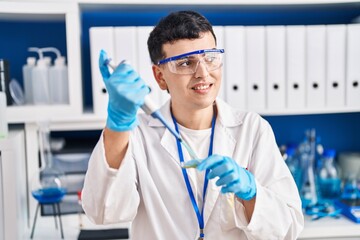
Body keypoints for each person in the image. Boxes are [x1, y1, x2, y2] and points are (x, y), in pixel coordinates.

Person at [82, 10, 304, 239]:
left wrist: (251, 193)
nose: (203, 73)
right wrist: (117, 125)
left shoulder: (251, 129)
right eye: (186, 63)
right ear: (159, 76)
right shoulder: (138, 134)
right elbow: (103, 213)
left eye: (210, 58)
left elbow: (288, 230)